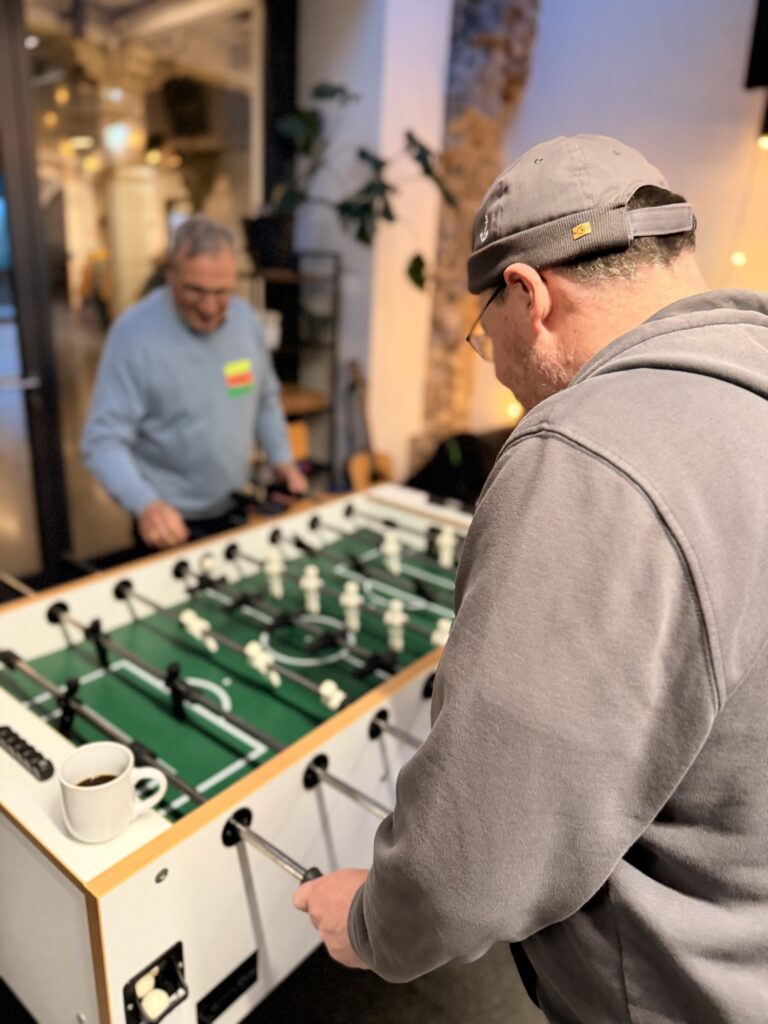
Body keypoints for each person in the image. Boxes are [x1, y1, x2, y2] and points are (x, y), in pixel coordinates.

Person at [292, 135, 768, 1023]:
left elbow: (475, 853)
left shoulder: (585, 449)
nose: (502, 372)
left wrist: (370, 923)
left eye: (487, 335)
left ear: (528, 295)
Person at [82, 216, 307, 549]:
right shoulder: (132, 335)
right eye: (195, 290)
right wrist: (146, 504)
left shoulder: (246, 321)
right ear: (170, 272)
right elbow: (102, 441)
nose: (210, 307)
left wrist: (282, 459)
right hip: (168, 521)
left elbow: (265, 399)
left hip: (237, 505)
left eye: (222, 292)